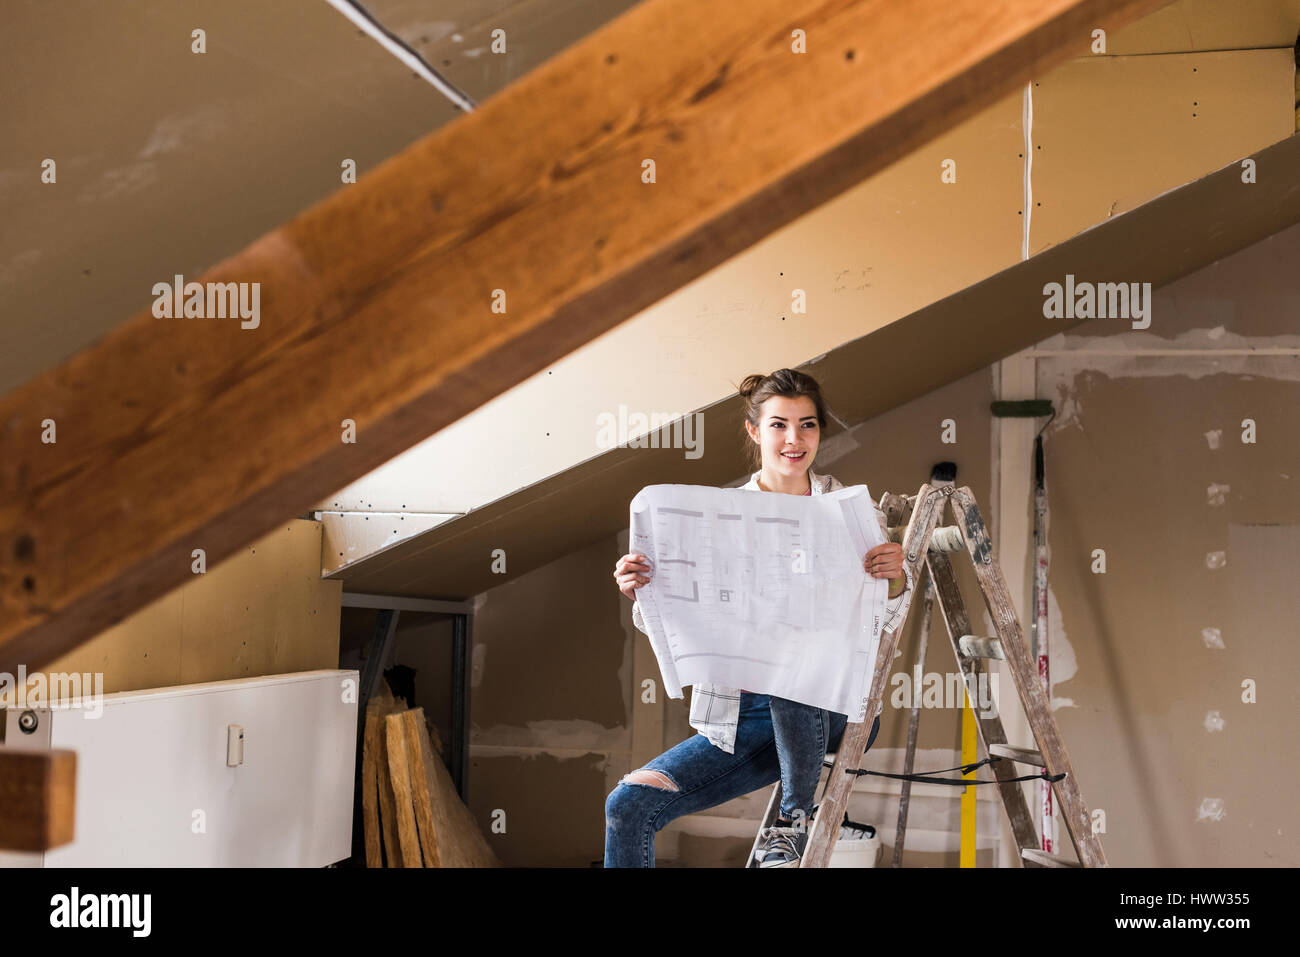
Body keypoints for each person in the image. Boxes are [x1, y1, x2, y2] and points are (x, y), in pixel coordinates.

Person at [606, 368, 914, 867]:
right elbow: (685, 623)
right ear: (755, 431)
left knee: (790, 658)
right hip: (739, 720)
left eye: (808, 425)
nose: (794, 439)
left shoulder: (851, 512)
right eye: (779, 425)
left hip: (829, 709)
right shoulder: (721, 516)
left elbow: (886, 620)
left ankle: (795, 821)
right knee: (628, 804)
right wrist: (645, 593)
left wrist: (894, 578)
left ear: (819, 432)